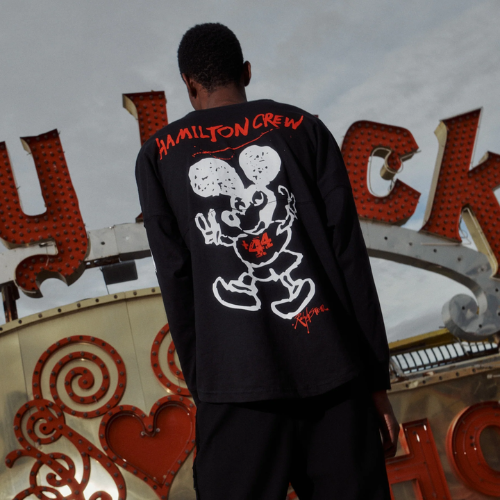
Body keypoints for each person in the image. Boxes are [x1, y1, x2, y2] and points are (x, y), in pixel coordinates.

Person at [136, 22, 399, 500]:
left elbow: (176, 280)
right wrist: (375, 381)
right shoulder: (305, 128)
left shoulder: (157, 156)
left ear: (189, 85)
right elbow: (349, 258)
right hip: (334, 377)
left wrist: (207, 387)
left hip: (234, 387)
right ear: (247, 72)